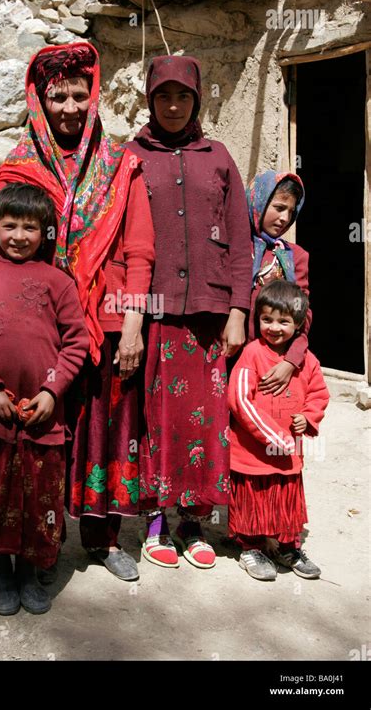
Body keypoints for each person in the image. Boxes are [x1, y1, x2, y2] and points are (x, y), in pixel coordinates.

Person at [0, 43, 155, 582]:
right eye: (57, 96)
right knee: (43, 431)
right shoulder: (18, 168)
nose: (69, 107)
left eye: (80, 95)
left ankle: (103, 539)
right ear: (38, 98)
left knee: (103, 431)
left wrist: (132, 324)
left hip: (106, 320)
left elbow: (140, 250)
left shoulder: (120, 165)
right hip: (38, 327)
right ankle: (40, 539)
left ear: (95, 96)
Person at [126, 55, 252, 569]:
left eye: (183, 97)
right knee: (158, 421)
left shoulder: (218, 156)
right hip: (156, 313)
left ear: (197, 101)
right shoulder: (131, 156)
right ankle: (154, 522)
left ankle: (193, 521)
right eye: (163, 96)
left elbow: (241, 243)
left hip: (210, 313)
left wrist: (238, 311)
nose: (173, 106)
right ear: (150, 101)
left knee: (204, 423)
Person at [0, 183, 90, 615]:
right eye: (9, 225)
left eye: (30, 227)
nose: (18, 236)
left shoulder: (58, 283)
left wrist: (52, 391)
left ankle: (30, 571)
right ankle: (2, 571)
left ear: (45, 232)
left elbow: (76, 343)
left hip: (42, 417)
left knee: (38, 497)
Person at [228, 280, 329, 581]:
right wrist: (274, 437)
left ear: (298, 324)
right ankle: (251, 547)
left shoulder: (306, 362)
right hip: (252, 452)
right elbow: (239, 400)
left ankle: (287, 546)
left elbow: (319, 394)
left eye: (284, 321)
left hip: (288, 455)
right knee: (252, 500)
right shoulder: (251, 355)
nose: (274, 327)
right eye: (266, 319)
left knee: (286, 502)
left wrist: (308, 419)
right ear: (256, 319)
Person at [247, 170, 311, 397]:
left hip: (276, 363)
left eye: (291, 211)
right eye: (279, 207)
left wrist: (291, 361)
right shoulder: (236, 250)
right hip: (235, 359)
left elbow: (302, 313)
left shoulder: (296, 256)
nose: (285, 218)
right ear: (259, 201)